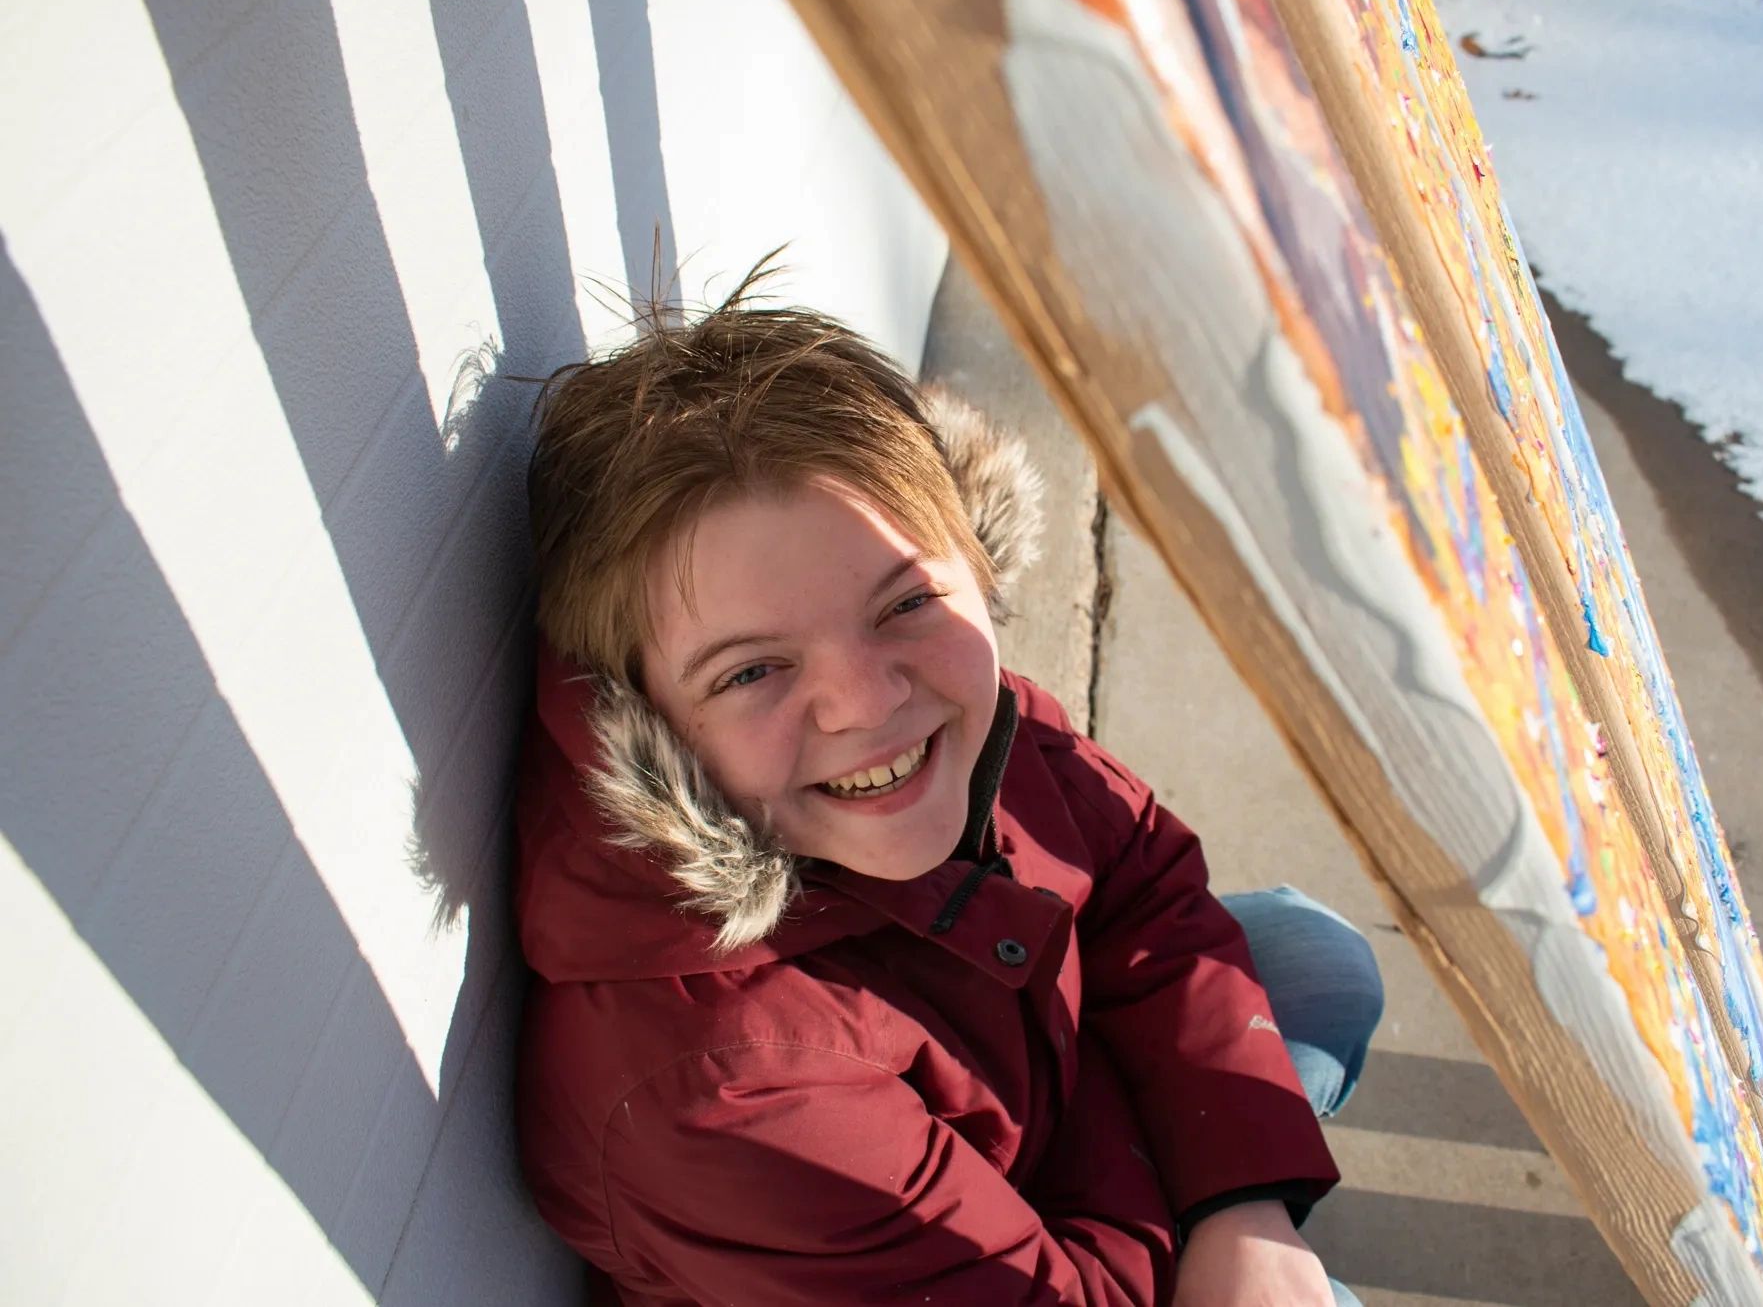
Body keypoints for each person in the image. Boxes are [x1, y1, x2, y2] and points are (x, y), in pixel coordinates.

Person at [513, 269, 1385, 1306]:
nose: (866, 699)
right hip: (977, 1250)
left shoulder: (961, 716)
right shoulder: (719, 1086)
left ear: (972, 558)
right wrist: (1215, 1178)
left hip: (1029, 1115)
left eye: (904, 602)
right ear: (648, 718)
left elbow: (1139, 867)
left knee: (1312, 956)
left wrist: (1241, 1202)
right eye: (752, 670)